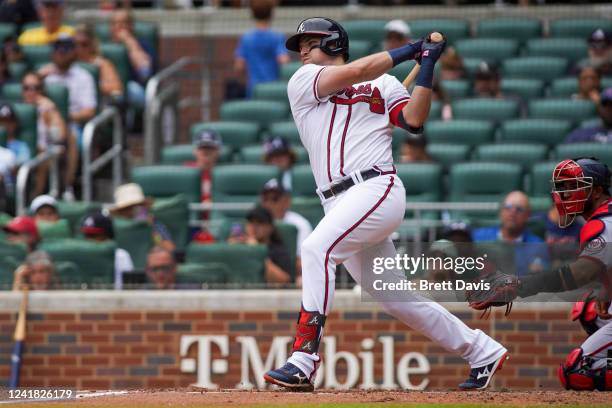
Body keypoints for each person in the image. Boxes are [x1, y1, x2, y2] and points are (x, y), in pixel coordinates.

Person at [263, 17, 507, 392]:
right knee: (397, 299)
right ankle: (482, 351)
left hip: (375, 187)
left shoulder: (384, 84)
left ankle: (304, 358)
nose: (301, 52)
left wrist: (426, 65)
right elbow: (357, 69)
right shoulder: (304, 81)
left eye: (308, 43)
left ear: (331, 43)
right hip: (337, 200)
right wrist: (410, 50)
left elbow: (414, 119)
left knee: (316, 249)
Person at [468, 157, 612, 391]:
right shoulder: (604, 217)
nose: (564, 195)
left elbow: (579, 273)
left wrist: (520, 285)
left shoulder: (604, 223)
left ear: (596, 191)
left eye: (573, 187)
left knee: (576, 371)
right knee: (588, 309)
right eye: (562, 188)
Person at [21, 71, 75, 198]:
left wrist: (51, 112)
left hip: (43, 154)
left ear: (42, 90)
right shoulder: (12, 112)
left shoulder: (48, 110)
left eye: (36, 88)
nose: (31, 92)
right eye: (26, 88)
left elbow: (60, 136)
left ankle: (34, 199)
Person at [39, 35, 97, 147]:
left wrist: (63, 117)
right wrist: (38, 77)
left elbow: (89, 111)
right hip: (46, 123)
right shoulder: (44, 76)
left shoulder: (83, 77)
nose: (60, 52)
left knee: (68, 137)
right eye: (57, 48)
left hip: (73, 125)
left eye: (65, 49)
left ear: (73, 52)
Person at [473, 191, 550, 276]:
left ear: (527, 215)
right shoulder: (478, 237)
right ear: (500, 212)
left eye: (519, 209)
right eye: (508, 207)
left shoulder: (538, 246)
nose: (512, 213)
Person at [260, 178, 313, 281]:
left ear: (287, 201)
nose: (269, 204)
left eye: (275, 199)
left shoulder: (300, 224)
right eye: (265, 199)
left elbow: (302, 263)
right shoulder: (256, 222)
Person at [234, 0, 289, 97]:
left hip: (253, 89)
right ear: (271, 14)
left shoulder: (246, 38)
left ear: (253, 14)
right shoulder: (277, 36)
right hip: (272, 89)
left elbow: (239, 66)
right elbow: (284, 61)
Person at [228, 206, 292, 284]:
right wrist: (230, 249)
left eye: (260, 222)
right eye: (251, 222)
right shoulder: (240, 247)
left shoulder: (278, 251)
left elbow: (284, 281)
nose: (254, 227)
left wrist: (256, 252)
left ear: (270, 227)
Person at [110, 182, 175, 251]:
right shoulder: (113, 227)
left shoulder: (153, 224)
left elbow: (170, 248)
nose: (132, 211)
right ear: (120, 212)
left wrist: (151, 230)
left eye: (137, 206)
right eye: (127, 208)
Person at [110, 9, 153, 109]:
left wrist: (129, 43)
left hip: (132, 88)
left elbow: (144, 73)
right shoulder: (102, 45)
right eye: (115, 23)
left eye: (123, 23)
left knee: (132, 90)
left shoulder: (142, 44)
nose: (119, 27)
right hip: (109, 87)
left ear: (131, 25)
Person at [80, 210, 134, 290]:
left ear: (107, 235)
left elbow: (128, 290)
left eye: (94, 236)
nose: (89, 240)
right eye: (87, 236)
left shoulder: (120, 255)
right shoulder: (81, 254)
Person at [74, 24, 124, 100]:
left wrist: (91, 86)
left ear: (92, 45)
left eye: (84, 44)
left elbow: (116, 89)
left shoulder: (101, 64)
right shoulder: (67, 64)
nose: (79, 48)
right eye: (75, 44)